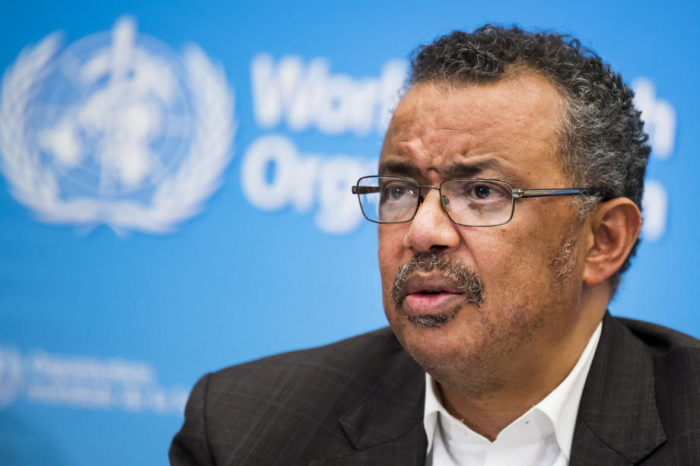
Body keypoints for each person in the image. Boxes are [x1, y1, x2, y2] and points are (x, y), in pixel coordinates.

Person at [170, 25, 700, 465]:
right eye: (400, 191)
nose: (422, 232)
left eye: (482, 192)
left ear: (603, 241)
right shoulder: (244, 431)